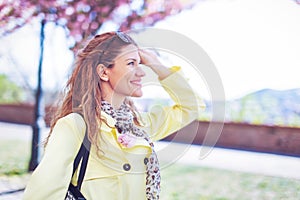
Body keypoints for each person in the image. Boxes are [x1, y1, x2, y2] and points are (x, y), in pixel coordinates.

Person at [23, 31, 206, 200]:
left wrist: (156, 64)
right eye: (131, 63)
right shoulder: (75, 126)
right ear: (103, 72)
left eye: (139, 63)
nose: (142, 72)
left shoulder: (140, 125)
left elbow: (192, 106)